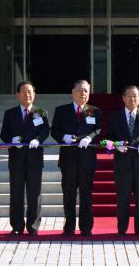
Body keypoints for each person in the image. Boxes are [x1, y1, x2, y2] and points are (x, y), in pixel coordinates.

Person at [51, 80, 102, 237]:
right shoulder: (62, 110)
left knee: (86, 194)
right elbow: (54, 131)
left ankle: (86, 227)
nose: (83, 94)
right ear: (72, 92)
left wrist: (90, 138)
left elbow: (98, 130)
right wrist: (63, 137)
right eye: (80, 90)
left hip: (87, 160)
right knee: (69, 194)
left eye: (86, 91)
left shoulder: (94, 111)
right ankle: (69, 227)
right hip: (68, 159)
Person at [0, 81, 50, 236]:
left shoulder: (40, 112)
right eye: (24, 92)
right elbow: (4, 134)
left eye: (30, 92)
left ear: (34, 95)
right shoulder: (10, 113)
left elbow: (45, 130)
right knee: (16, 192)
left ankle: (33, 225)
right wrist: (12, 140)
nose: (27, 95)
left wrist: (38, 139)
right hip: (16, 158)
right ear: (17, 95)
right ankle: (16, 226)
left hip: (34, 159)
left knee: (34, 193)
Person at [106, 85, 139, 236]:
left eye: (135, 96)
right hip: (122, 164)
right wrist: (116, 146)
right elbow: (107, 139)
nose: (132, 98)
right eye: (129, 95)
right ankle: (122, 229)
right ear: (123, 98)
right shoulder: (115, 117)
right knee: (123, 198)